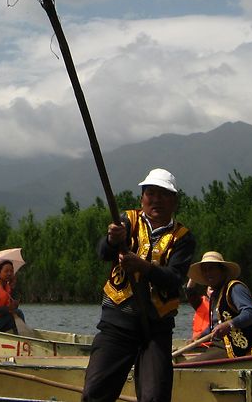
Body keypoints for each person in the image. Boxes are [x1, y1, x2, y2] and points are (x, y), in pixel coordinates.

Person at [81, 168, 196, 402]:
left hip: (156, 328)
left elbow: (174, 279)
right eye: (150, 194)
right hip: (117, 322)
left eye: (163, 195)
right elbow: (103, 253)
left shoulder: (183, 237)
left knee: (155, 397)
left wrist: (144, 267)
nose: (156, 200)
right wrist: (113, 240)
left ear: (174, 201)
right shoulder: (128, 220)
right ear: (142, 198)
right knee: (95, 393)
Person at [187, 251, 252, 359]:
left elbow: (250, 313)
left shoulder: (235, 288)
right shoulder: (215, 294)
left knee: (186, 366)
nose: (207, 273)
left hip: (234, 347)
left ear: (222, 270)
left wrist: (230, 324)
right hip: (216, 345)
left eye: (211, 269)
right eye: (204, 270)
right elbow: (214, 327)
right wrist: (199, 337)